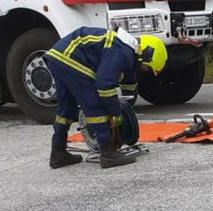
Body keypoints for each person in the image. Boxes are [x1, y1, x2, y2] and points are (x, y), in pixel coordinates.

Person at [43, 27, 168, 169]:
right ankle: (108, 154)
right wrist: (116, 115)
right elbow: (104, 86)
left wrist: (124, 112)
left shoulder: (127, 52)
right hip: (70, 58)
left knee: (67, 108)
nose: (144, 71)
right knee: (95, 105)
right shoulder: (121, 52)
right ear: (144, 55)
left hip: (58, 58)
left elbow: (129, 85)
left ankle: (58, 153)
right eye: (146, 68)